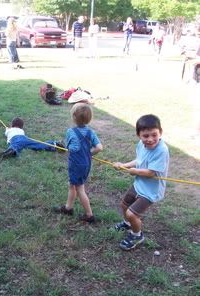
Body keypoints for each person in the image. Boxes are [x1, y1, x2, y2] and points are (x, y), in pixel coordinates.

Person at [113, 114, 169, 251]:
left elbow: (151, 172)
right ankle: (127, 223)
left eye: (154, 135)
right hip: (139, 184)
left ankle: (137, 235)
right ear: (139, 135)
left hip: (151, 191)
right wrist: (124, 165)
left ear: (160, 132)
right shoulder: (141, 145)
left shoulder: (162, 150)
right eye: (145, 136)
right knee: (124, 204)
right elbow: (139, 161)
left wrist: (134, 171)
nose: (150, 139)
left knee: (132, 214)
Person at [52, 103, 103, 223]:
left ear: (74, 117)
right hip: (86, 164)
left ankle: (89, 215)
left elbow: (69, 148)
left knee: (79, 188)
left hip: (76, 164)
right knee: (73, 185)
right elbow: (99, 147)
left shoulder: (71, 131)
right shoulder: (91, 132)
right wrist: (89, 153)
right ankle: (68, 208)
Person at [0, 117, 65, 159]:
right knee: (37, 144)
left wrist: (7, 129)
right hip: (24, 138)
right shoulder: (21, 130)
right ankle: (54, 144)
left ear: (12, 125)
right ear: (21, 127)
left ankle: (12, 150)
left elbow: (6, 134)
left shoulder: (10, 130)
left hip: (15, 139)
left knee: (16, 145)